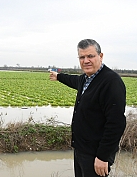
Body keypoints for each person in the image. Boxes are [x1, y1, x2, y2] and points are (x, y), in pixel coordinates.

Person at [49, 39, 126, 177]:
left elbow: (116, 123)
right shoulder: (86, 79)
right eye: (82, 57)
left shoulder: (111, 82)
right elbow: (73, 81)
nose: (86, 61)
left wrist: (103, 157)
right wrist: (59, 76)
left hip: (96, 155)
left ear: (100, 56)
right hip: (81, 150)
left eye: (90, 56)